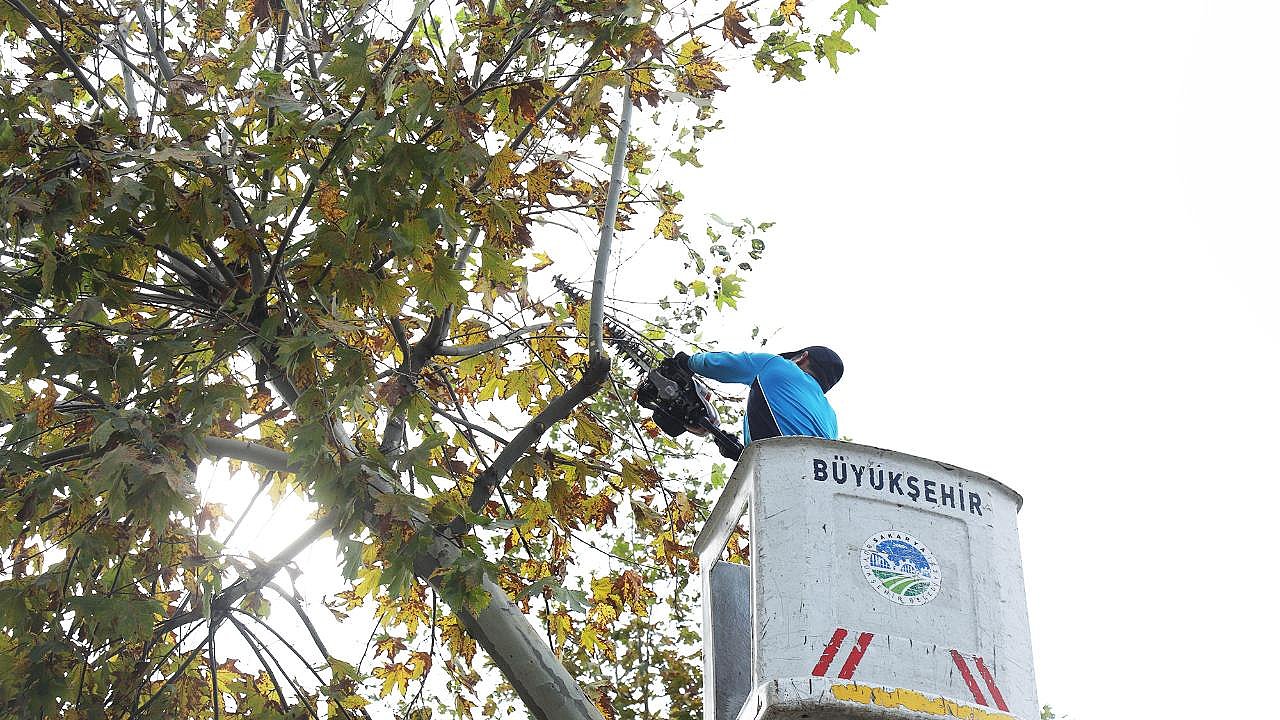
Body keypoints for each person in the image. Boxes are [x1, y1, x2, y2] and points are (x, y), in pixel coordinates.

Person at [669, 346, 842, 446]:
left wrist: (688, 362)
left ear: (802, 357)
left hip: (778, 468)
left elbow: (723, 364)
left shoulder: (779, 366)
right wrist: (739, 452)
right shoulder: (831, 418)